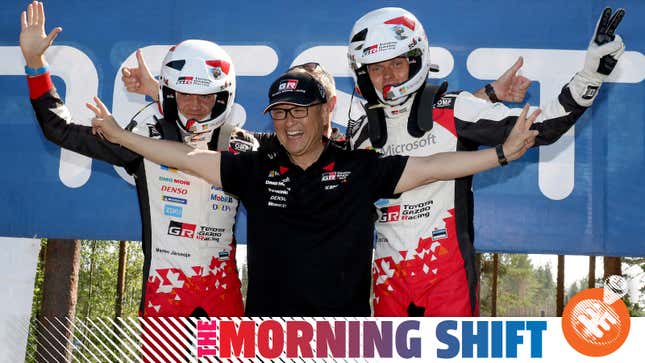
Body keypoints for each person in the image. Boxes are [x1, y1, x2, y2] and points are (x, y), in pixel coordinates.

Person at [89, 62, 540, 316]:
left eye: (300, 110)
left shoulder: (359, 165)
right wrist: (125, 130)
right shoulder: (254, 164)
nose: (290, 122)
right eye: (280, 113)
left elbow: (433, 166)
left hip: (345, 339)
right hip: (268, 338)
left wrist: (500, 153)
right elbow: (184, 156)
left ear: (325, 112)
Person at [345, 7, 625, 316]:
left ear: (415, 60)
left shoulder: (456, 108)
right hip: (387, 285)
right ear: (361, 73)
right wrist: (489, 93)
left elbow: (541, 128)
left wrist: (590, 76)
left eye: (397, 63)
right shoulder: (358, 133)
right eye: (375, 68)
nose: (387, 77)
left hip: (447, 282)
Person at [21, 1, 254, 320]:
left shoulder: (244, 146)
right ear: (171, 94)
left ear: (224, 96)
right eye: (185, 95)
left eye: (207, 96)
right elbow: (58, 129)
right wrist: (35, 62)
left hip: (223, 303)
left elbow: (299, 149)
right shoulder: (142, 138)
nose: (196, 106)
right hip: (164, 301)